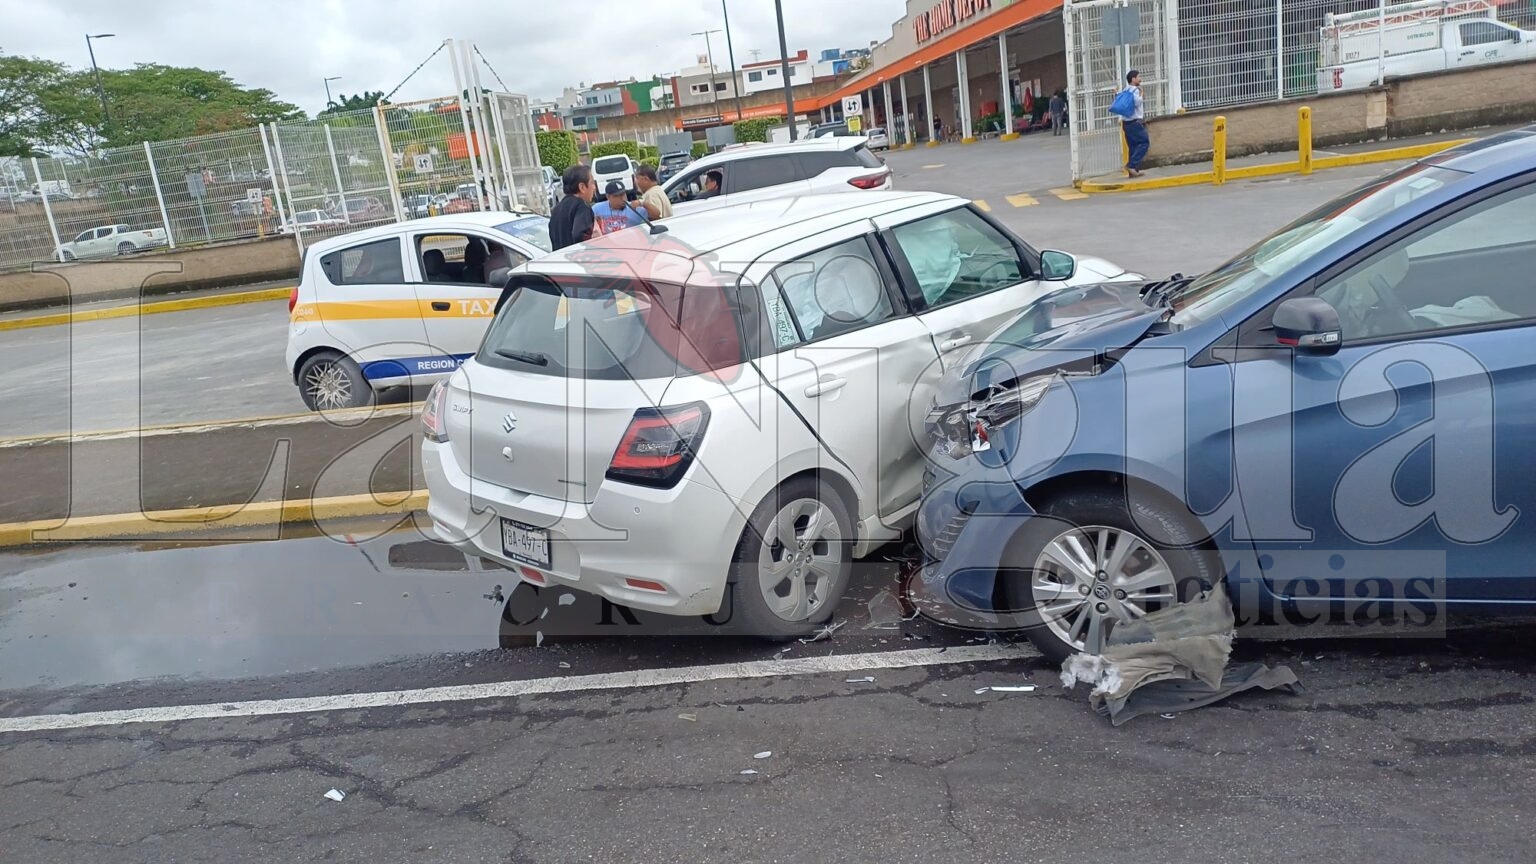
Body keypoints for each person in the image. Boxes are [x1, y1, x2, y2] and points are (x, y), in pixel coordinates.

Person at [548, 164, 597, 250]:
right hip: (577, 260)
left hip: (560, 260)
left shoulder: (557, 209)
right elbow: (580, 235)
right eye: (592, 183)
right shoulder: (582, 207)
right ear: (582, 187)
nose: (594, 187)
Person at [1121, 70, 1149, 178]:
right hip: (1135, 122)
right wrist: (1142, 93)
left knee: (1132, 146)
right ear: (1133, 79)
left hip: (1126, 123)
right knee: (1144, 142)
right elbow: (1137, 103)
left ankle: (1133, 172)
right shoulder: (1135, 90)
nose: (1140, 79)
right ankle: (1132, 165)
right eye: (1138, 77)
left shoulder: (1125, 90)